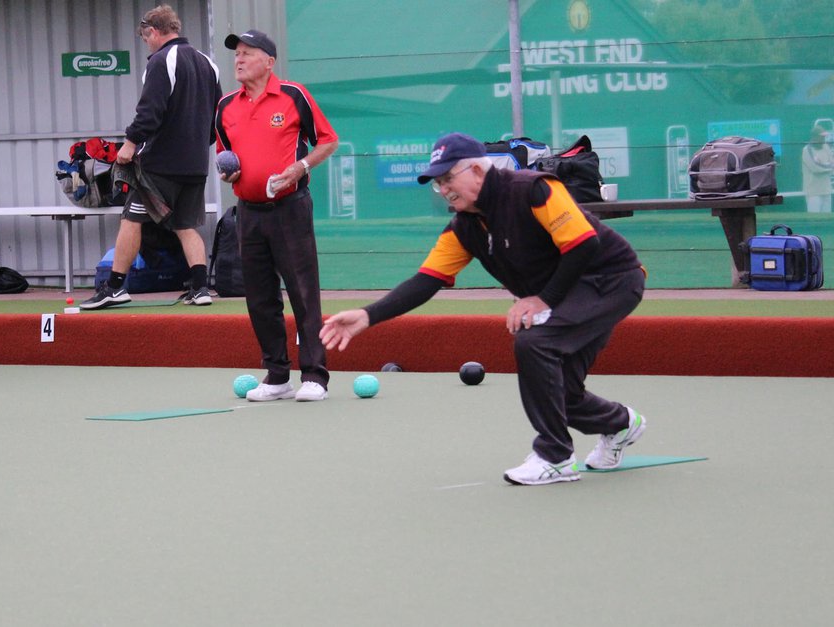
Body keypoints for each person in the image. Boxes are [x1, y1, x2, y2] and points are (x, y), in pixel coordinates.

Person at [320, 133, 647, 484]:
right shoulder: (464, 228)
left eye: (448, 179)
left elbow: (583, 244)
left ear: (476, 170)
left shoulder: (533, 190)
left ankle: (555, 457)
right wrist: (368, 315)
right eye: (438, 183)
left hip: (609, 280)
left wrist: (542, 300)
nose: (444, 189)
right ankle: (621, 425)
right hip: (569, 292)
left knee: (534, 341)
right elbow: (426, 281)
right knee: (560, 392)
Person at [215, 29, 338, 402]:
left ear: (268, 62)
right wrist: (229, 173)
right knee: (259, 296)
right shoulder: (225, 106)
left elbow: (328, 140)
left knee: (303, 292)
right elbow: (225, 155)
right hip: (248, 213)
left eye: (247, 53)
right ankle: (277, 375)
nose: (238, 59)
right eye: (236, 54)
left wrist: (300, 167)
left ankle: (315, 375)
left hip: (290, 208)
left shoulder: (294, 95)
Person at [79, 4, 221, 310]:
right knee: (186, 225)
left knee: (131, 218)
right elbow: (217, 115)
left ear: (154, 32)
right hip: (196, 164)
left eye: (146, 37)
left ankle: (115, 287)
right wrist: (200, 145)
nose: (147, 43)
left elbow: (149, 111)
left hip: (160, 166)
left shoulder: (160, 61)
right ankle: (200, 288)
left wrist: (129, 146)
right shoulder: (209, 63)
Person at [801, 125, 832, 213]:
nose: (824, 139)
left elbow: (832, 164)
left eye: (824, 137)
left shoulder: (826, 147)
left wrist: (826, 165)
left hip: (826, 191)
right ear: (815, 137)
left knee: (826, 222)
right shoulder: (807, 150)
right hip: (813, 193)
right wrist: (828, 166)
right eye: (822, 137)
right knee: (814, 221)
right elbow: (816, 168)